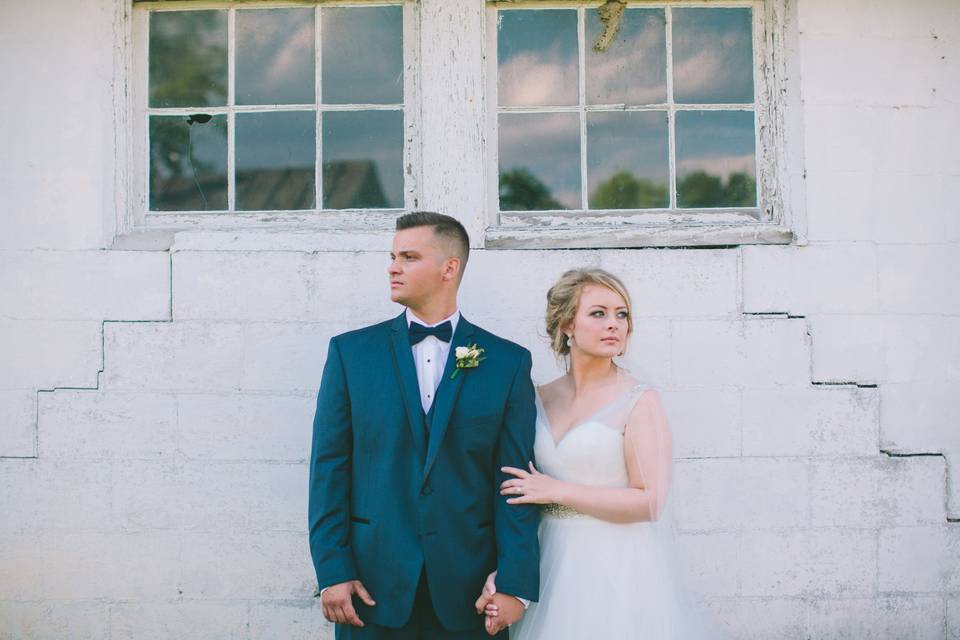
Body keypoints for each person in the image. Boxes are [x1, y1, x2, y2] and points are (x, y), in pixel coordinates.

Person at [308, 211, 540, 639]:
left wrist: (515, 584)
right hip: (369, 589)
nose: (393, 267)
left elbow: (516, 483)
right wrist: (332, 569)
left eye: (409, 257)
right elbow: (329, 470)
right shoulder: (350, 354)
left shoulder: (506, 362)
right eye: (393, 256)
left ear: (449, 268)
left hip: (471, 592)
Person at [475, 268, 725, 639]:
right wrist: (510, 572)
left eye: (621, 314)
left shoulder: (639, 400)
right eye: (599, 313)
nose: (614, 325)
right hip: (550, 557)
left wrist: (557, 491)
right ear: (566, 325)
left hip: (616, 562)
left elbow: (650, 502)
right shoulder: (537, 398)